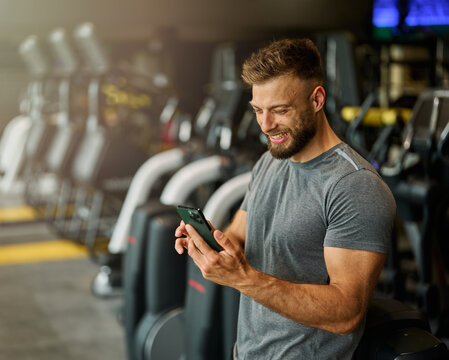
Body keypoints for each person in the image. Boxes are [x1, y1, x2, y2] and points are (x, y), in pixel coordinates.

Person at [175, 38, 396, 360]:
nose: (266, 125)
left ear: (317, 99)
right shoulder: (270, 161)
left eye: (280, 110)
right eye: (258, 111)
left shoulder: (353, 186)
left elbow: (346, 313)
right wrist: (209, 241)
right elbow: (239, 237)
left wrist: (243, 278)